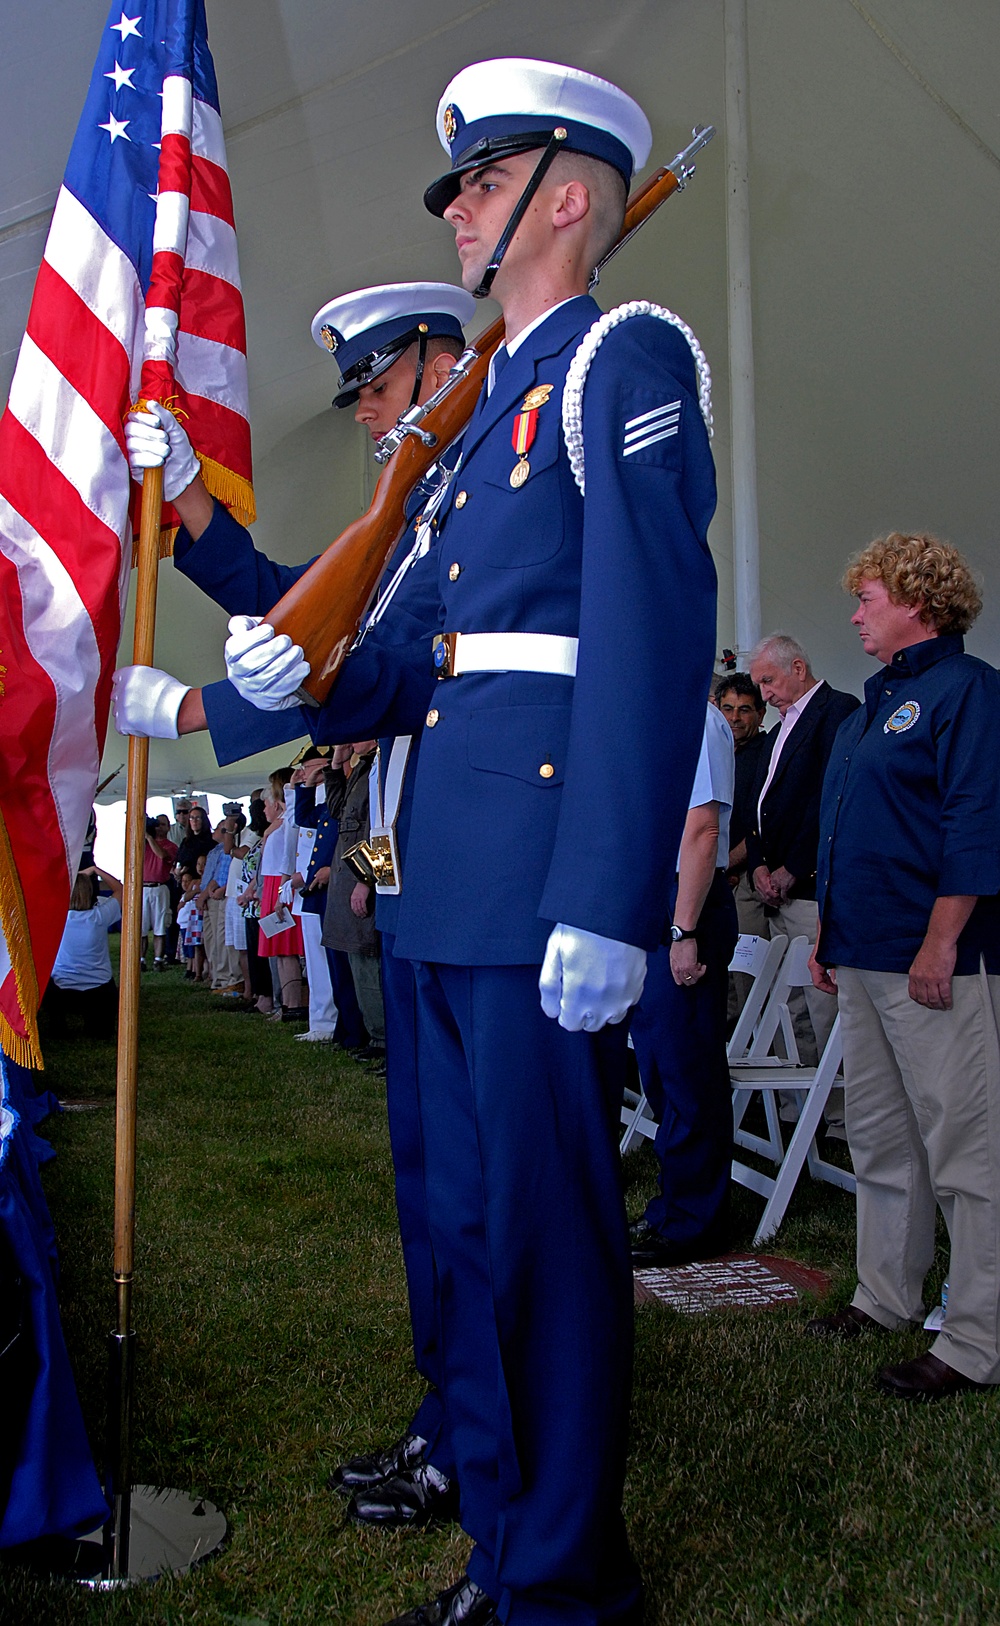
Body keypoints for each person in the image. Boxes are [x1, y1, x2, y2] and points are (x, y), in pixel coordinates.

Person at [216, 60, 716, 1625]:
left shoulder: (620, 357)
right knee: (464, 1222)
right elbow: (409, 651)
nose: (458, 213)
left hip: (535, 876)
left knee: (550, 1247)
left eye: (482, 185)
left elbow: (651, 628)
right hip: (438, 879)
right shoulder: (485, 411)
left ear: (569, 197)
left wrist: (609, 892)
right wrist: (286, 664)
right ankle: (503, 1551)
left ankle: (566, 1584)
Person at [114, 283, 476, 1529]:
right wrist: (194, 505)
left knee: (471, 1194)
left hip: (465, 880)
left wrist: (207, 713)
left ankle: (479, 1444)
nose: (368, 409)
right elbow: (296, 599)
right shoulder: (416, 515)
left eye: (380, 382)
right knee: (427, 1185)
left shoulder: (468, 510)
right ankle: (450, 1421)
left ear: (443, 359)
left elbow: (375, 672)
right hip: (410, 869)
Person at [807, 532, 1000, 1402]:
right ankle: (885, 1295)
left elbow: (975, 822)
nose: (855, 614)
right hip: (862, 954)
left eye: (868, 599)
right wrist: (827, 936)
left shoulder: (968, 692)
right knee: (883, 1139)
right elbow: (845, 833)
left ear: (918, 602)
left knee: (964, 1149)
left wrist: (942, 939)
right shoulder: (864, 711)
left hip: (935, 963)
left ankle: (976, 1339)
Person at [629, 701, 738, 1267]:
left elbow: (702, 828)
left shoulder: (695, 715)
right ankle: (676, 1206)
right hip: (662, 896)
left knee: (686, 1067)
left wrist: (684, 928)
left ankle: (696, 1220)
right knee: (660, 1066)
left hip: (687, 900)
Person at [746, 634, 859, 1069]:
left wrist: (794, 867)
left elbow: (829, 800)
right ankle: (800, 1109)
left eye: (769, 681)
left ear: (797, 668)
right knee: (790, 1004)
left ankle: (836, 1114)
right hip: (775, 889)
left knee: (822, 1003)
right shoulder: (778, 729)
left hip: (809, 888)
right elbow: (759, 803)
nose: (765, 694)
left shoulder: (838, 712)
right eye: (760, 685)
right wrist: (757, 864)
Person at [716, 672, 769, 1018]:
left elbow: (762, 825)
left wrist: (725, 865)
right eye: (728, 708)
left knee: (747, 981)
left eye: (745, 710)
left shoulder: (767, 754)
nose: (735, 718)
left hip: (747, 883)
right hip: (713, 880)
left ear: (761, 714)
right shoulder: (711, 752)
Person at [42, 866, 123, 1041]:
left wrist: (69, 877)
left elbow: (45, 888)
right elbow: (120, 890)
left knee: (46, 983)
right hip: (99, 990)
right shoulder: (99, 917)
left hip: (62, 990)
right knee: (100, 1033)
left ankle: (58, 1024)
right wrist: (96, 870)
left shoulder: (56, 916)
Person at [140, 815, 176, 971]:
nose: (159, 828)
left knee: (160, 925)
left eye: (163, 825)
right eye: (157, 824)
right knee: (141, 926)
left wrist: (149, 838)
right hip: (143, 887)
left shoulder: (171, 846)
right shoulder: (144, 844)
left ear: (168, 827)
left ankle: (158, 959)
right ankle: (141, 959)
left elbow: (162, 855)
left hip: (160, 886)